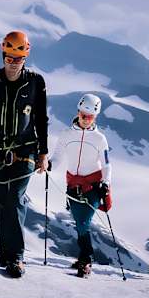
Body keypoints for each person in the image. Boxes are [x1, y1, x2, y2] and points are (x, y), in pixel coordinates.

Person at [0, 30, 49, 278]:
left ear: (25, 57)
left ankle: (16, 257)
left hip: (25, 152)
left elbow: (41, 120)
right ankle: (5, 252)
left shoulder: (37, 82)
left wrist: (44, 153)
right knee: (2, 201)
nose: (13, 63)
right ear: (3, 54)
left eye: (18, 59)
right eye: (9, 58)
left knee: (15, 199)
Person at [49, 93, 112, 278]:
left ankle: (86, 261)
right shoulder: (66, 135)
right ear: (78, 112)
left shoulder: (100, 139)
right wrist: (50, 164)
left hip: (93, 186)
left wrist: (105, 183)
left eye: (90, 117)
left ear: (95, 117)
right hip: (72, 186)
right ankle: (84, 256)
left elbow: (107, 164)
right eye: (83, 115)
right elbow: (58, 157)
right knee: (79, 223)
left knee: (84, 223)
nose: (86, 120)